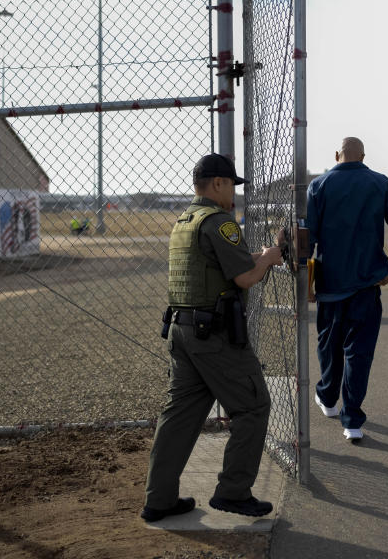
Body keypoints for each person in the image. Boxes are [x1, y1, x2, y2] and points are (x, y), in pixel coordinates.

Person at [141, 153, 284, 523]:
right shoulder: (221, 223)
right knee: (252, 407)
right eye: (231, 185)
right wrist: (268, 260)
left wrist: (264, 255)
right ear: (217, 183)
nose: (234, 193)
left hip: (182, 333)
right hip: (215, 338)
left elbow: (223, 264)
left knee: (179, 417)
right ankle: (233, 492)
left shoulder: (185, 221)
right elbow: (244, 278)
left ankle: (159, 499)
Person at [307, 137, 388, 443]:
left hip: (330, 285)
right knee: (358, 353)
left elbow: (308, 238)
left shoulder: (319, 186)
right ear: (363, 156)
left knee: (328, 345)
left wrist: (307, 284)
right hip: (367, 285)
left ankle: (327, 397)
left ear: (336, 154)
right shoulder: (379, 183)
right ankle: (351, 420)